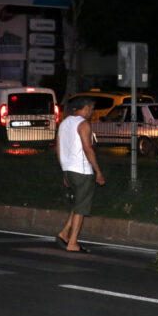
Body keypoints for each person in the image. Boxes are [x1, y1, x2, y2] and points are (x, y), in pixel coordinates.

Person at [55, 96, 105, 253]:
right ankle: (73, 242)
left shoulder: (64, 123)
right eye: (91, 108)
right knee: (81, 208)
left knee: (78, 203)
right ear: (85, 108)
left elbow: (58, 148)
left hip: (68, 169)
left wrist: (64, 171)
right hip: (82, 170)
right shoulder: (83, 124)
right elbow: (88, 149)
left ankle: (64, 233)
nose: (92, 112)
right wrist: (98, 171)